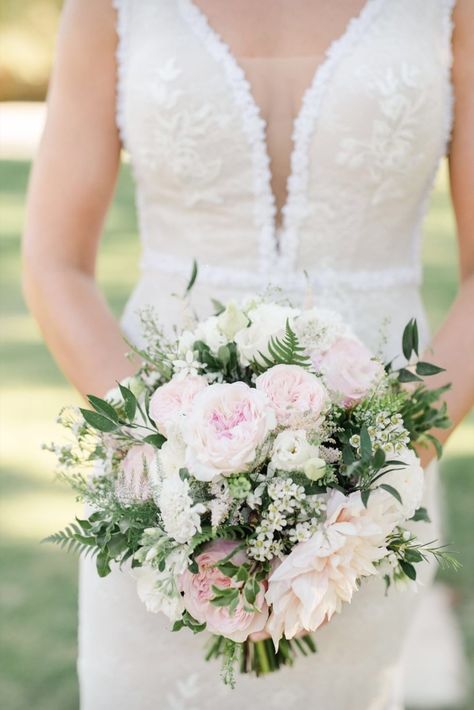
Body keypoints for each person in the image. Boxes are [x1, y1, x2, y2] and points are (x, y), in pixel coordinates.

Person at [22, 1, 473, 708]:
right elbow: (55, 264)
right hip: (156, 492)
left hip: (372, 499)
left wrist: (385, 466)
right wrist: (163, 455)